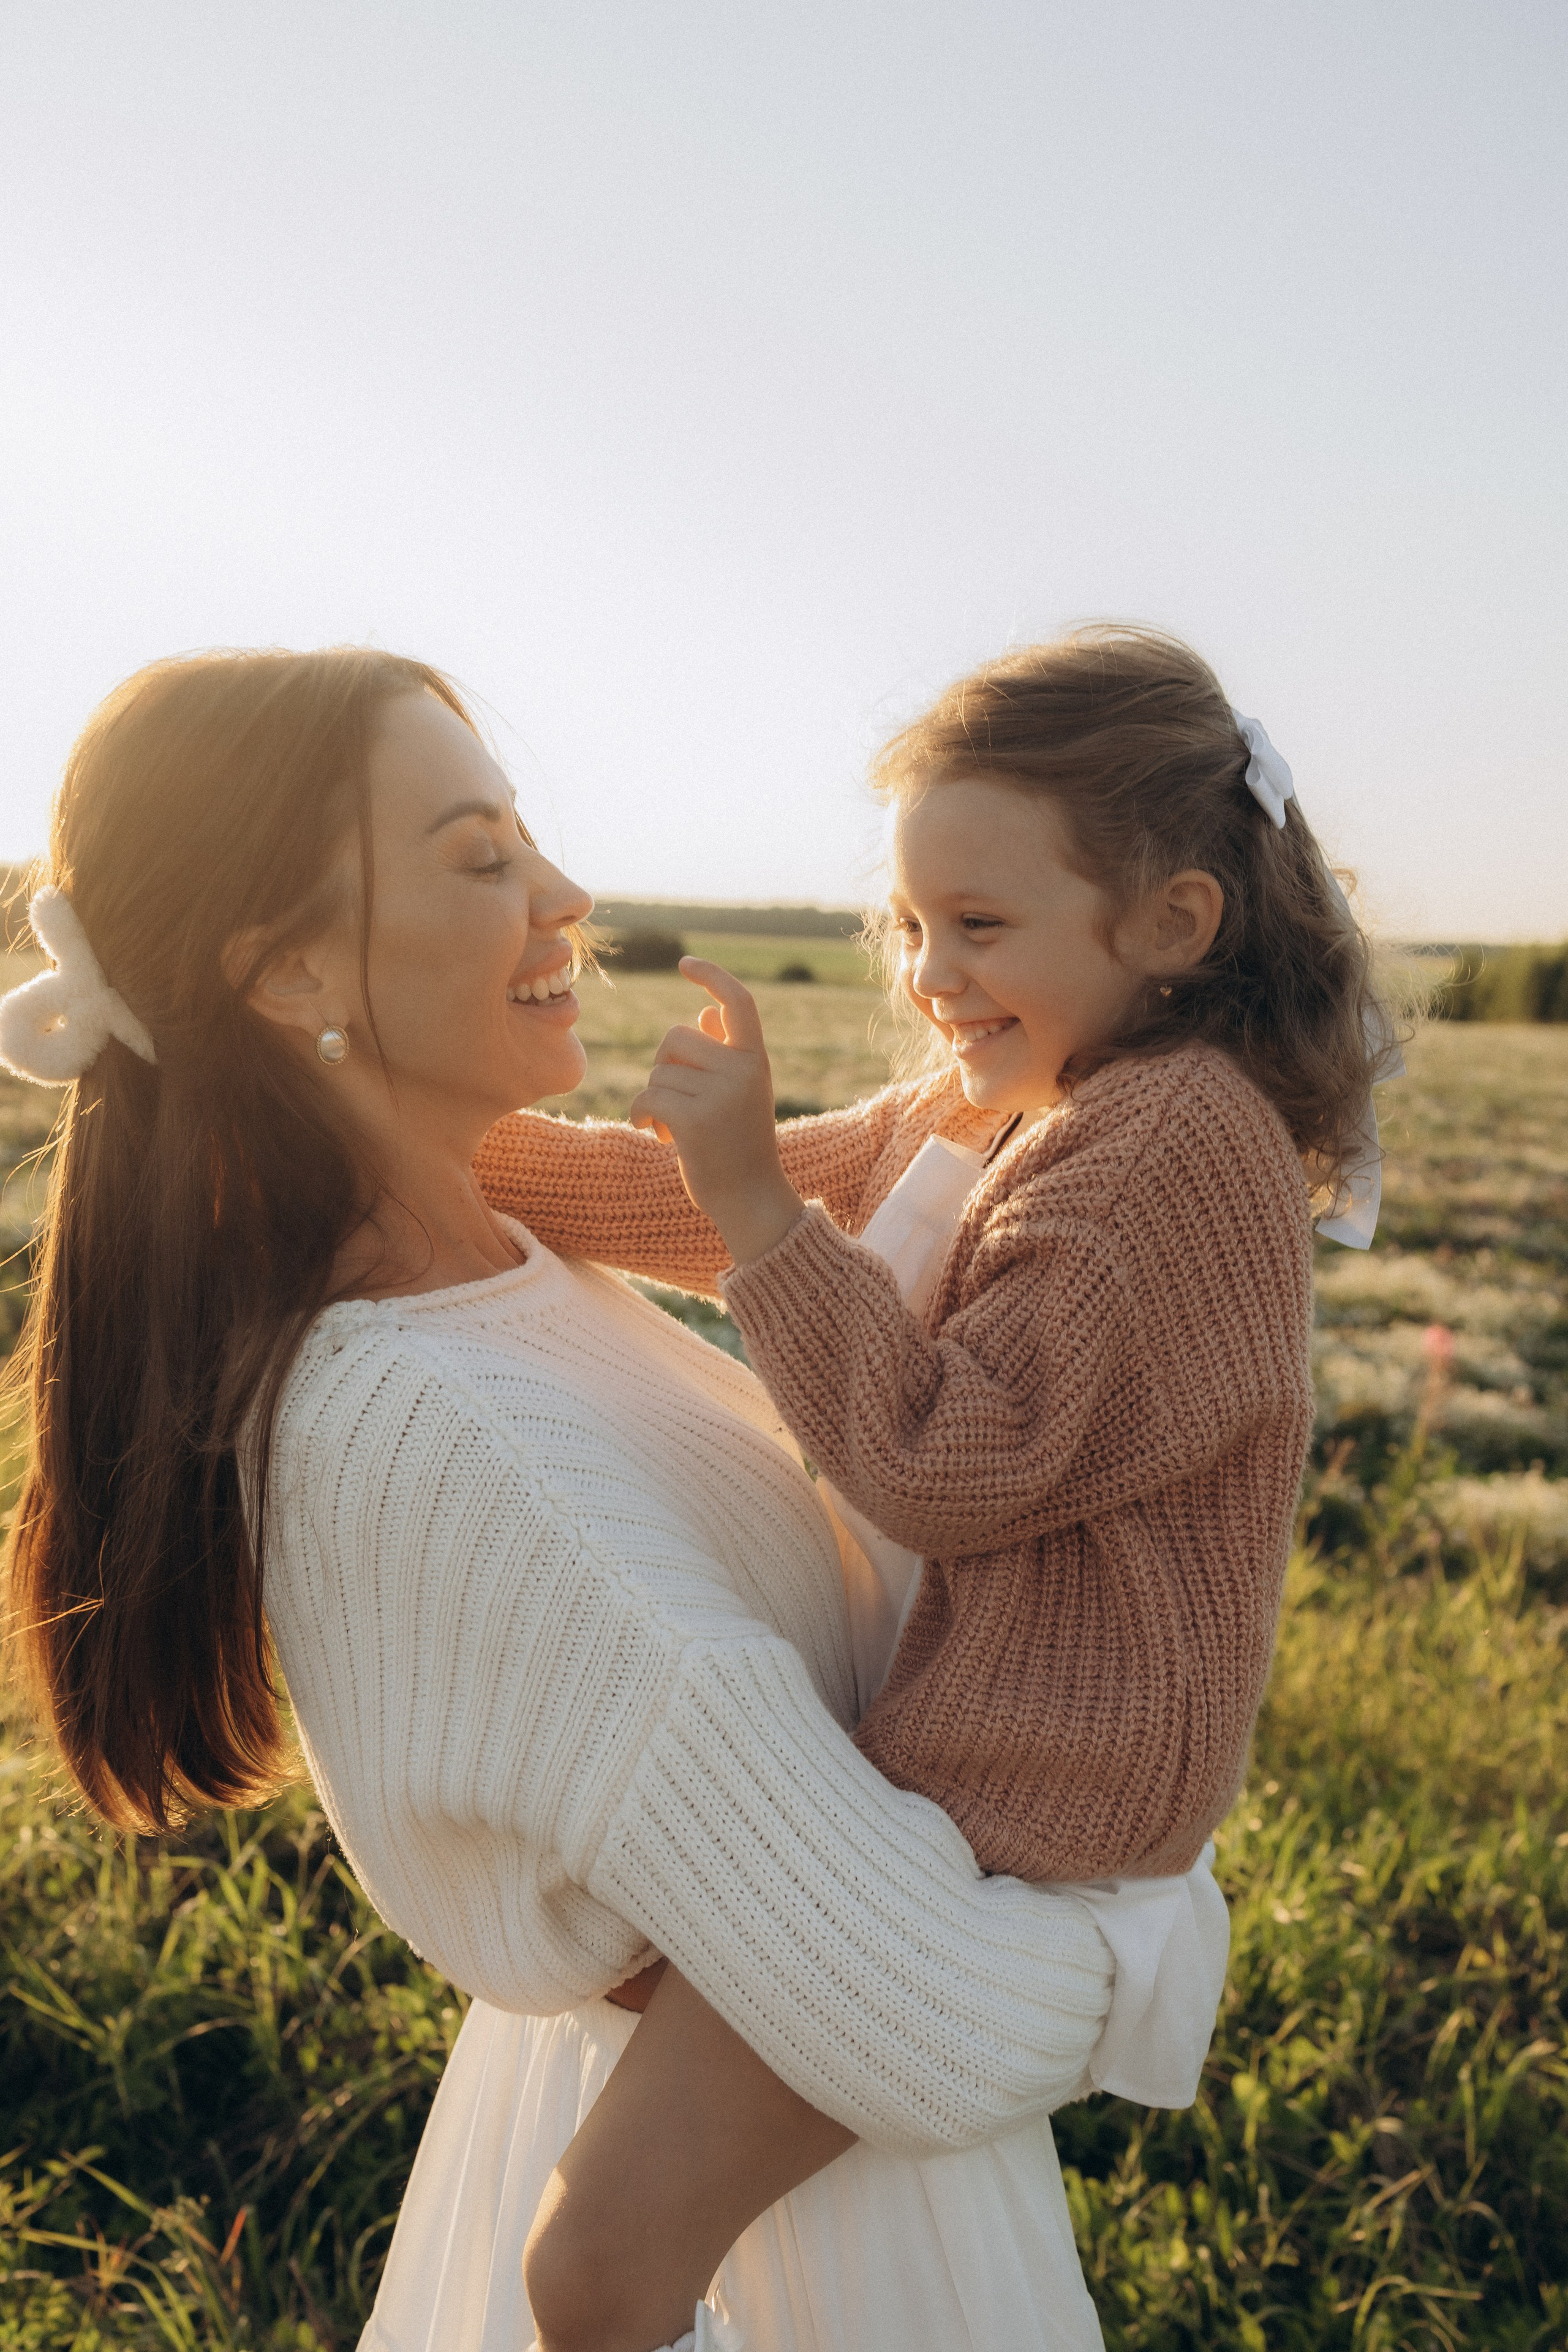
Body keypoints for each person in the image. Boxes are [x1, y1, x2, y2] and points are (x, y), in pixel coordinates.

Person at [2, 645, 1147, 2352]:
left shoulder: (501, 1264)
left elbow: (924, 1158)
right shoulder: (426, 1424)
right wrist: (1143, 1910)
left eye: (526, 838)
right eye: (479, 859)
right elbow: (931, 2014)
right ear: (288, 968)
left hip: (789, 2165)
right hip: (758, 2238)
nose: (564, 893)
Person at [475, 625, 1401, 2329]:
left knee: (597, 2262)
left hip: (1021, 1817)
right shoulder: (1009, 1102)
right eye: (911, 924)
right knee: (630, 2219)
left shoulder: (1179, 1144)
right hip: (938, 1769)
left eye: (980, 927)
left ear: (1174, 926)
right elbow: (700, 1199)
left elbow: (949, 1462)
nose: (930, 972)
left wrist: (755, 1204)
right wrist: (432, 1147)